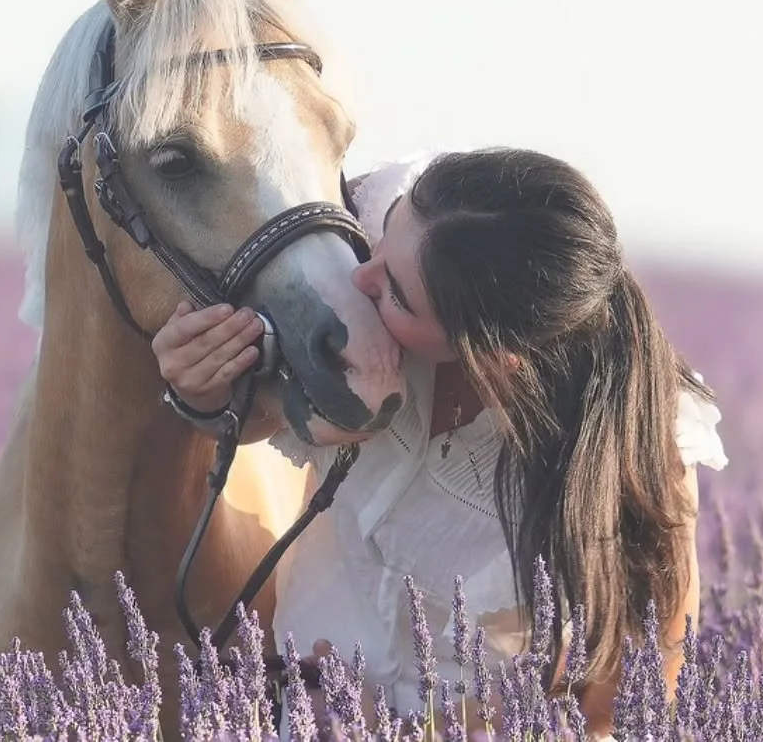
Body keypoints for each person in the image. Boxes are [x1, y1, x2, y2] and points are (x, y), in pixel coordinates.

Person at [150, 148, 728, 738]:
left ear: (494, 359)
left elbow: (628, 707)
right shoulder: (374, 244)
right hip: (287, 711)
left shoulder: (643, 452)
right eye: (387, 235)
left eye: (397, 296)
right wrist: (198, 385)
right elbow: (257, 414)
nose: (360, 279)